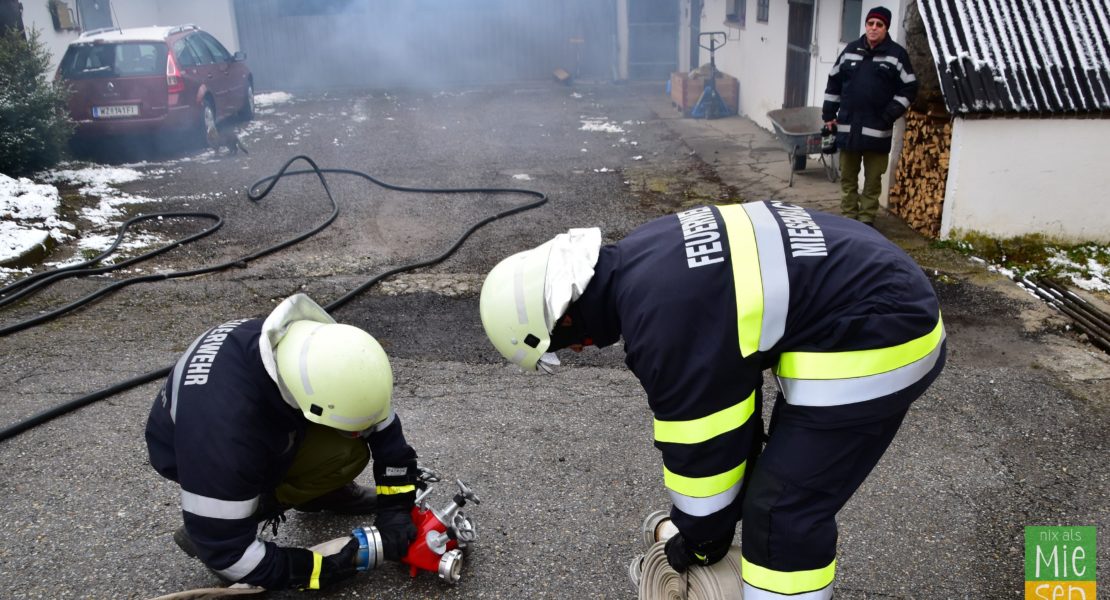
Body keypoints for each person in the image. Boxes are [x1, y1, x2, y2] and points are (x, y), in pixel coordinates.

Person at [479, 201, 945, 599]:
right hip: (867, 290)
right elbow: (734, 406)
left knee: (781, 511)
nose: (578, 350)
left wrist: (698, 544)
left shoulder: (661, 326)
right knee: (776, 480)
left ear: (563, 318)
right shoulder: (645, 254)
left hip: (880, 332)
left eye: (560, 346)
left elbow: (705, 449)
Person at [145, 293, 421, 591]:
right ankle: (220, 517)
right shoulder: (227, 441)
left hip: (246, 408)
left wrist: (396, 509)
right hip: (190, 450)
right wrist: (319, 569)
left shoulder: (314, 351)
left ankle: (318, 494)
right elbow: (231, 556)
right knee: (226, 541)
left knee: (346, 449)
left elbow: (386, 435)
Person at [822, 6, 918, 226]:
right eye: (870, 23)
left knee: (873, 180)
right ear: (865, 25)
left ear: (886, 28)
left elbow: (910, 88)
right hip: (848, 128)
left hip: (878, 130)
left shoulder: (896, 55)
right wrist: (829, 114)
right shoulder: (850, 51)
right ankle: (849, 219)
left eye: (879, 25)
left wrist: (890, 114)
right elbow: (833, 82)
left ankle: (866, 221)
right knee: (847, 178)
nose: (874, 28)